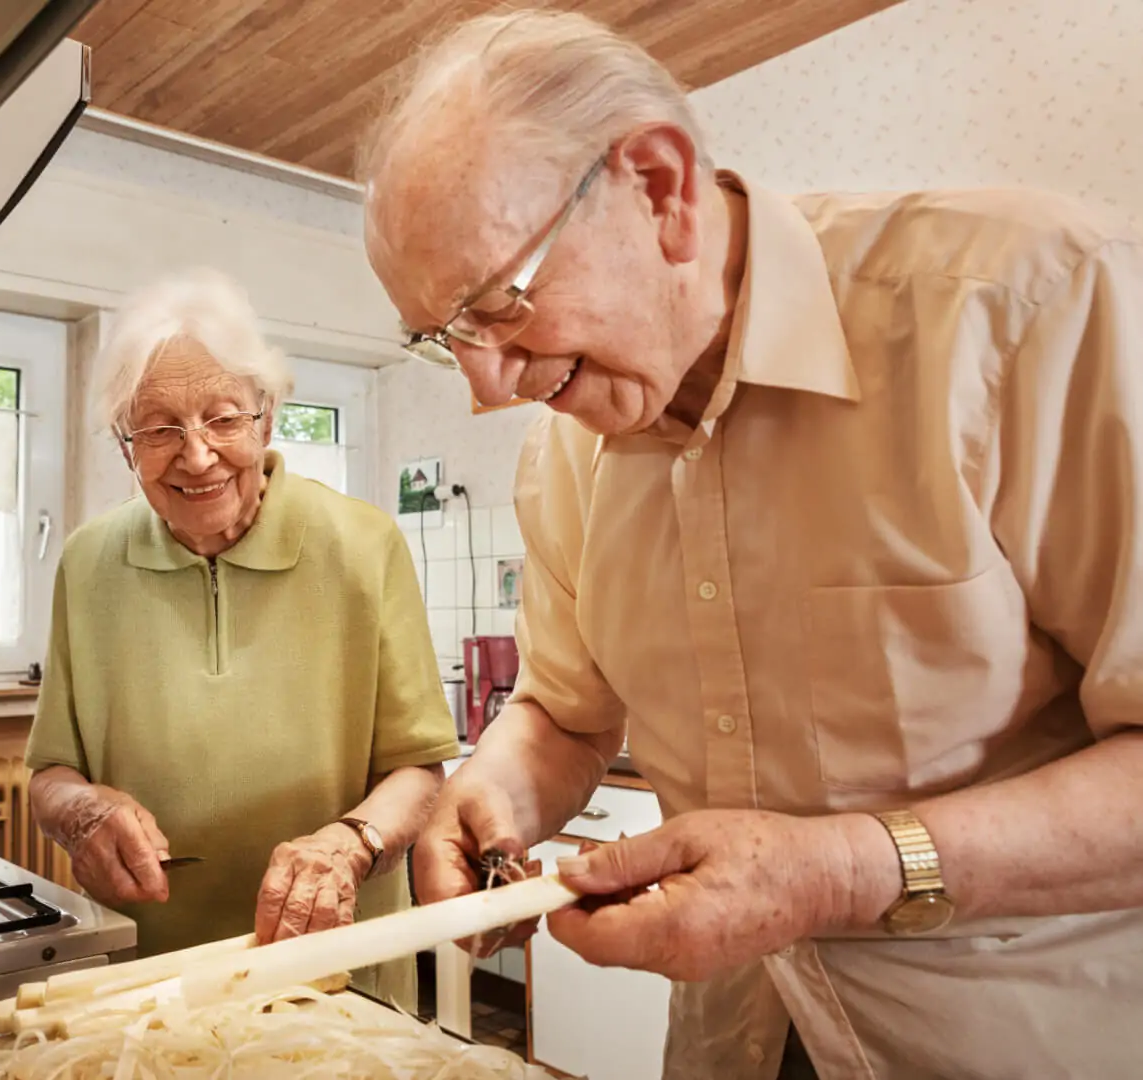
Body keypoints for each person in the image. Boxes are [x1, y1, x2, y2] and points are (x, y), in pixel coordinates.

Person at [360, 9, 1143, 1080]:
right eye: (447, 337)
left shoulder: (1035, 305)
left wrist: (836, 873)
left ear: (659, 187)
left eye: (501, 304)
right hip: (738, 1041)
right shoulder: (569, 453)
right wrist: (491, 793)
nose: (486, 388)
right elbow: (562, 711)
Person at [25, 267, 458, 1009]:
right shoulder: (87, 562)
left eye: (223, 419)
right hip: (146, 973)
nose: (196, 456)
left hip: (330, 966)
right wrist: (80, 814)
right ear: (123, 445)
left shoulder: (361, 545)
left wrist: (345, 847)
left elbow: (419, 770)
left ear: (267, 416)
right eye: (160, 429)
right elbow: (51, 773)